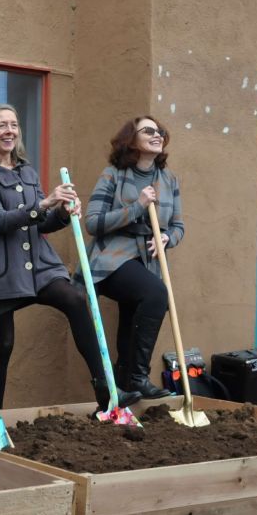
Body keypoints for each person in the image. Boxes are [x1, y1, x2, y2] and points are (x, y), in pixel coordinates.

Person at [0, 105, 140, 411]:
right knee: (4, 344)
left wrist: (61, 212)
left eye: (14, 125)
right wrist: (45, 202)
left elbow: (40, 222)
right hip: (2, 270)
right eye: (2, 126)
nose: (10, 131)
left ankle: (104, 386)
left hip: (39, 265)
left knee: (75, 299)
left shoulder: (27, 171)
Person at [84, 115, 185, 400]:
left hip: (148, 259)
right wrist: (137, 207)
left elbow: (178, 226)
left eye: (160, 131)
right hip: (111, 256)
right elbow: (92, 222)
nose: (157, 134)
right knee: (155, 295)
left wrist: (167, 238)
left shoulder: (169, 179)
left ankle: (125, 385)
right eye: (148, 131)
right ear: (132, 139)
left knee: (133, 316)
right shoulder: (113, 174)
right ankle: (138, 377)